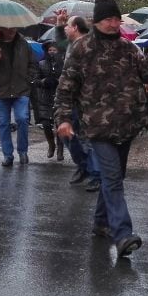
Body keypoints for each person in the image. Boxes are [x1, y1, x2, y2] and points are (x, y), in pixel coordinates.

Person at [55, 0, 148, 257]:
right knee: (113, 178)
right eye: (108, 19)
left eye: (117, 19)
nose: (114, 23)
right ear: (96, 20)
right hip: (97, 127)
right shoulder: (82, 48)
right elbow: (66, 87)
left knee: (114, 176)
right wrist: (63, 118)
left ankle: (101, 222)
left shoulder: (129, 49)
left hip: (127, 124)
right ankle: (123, 234)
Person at [0, 26, 38, 167]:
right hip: (0, 90)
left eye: (14, 28)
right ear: (2, 27)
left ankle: (23, 151)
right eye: (8, 28)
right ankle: (7, 155)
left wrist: (29, 79)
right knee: (3, 123)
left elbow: (33, 64)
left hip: (21, 89)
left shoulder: (24, 44)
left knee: (22, 119)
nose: (12, 30)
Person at [60, 16, 101, 191]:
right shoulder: (71, 44)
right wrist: (59, 24)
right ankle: (84, 166)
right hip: (71, 100)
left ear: (75, 27)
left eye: (67, 26)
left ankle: (97, 174)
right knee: (68, 135)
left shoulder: (87, 46)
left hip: (86, 100)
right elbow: (60, 44)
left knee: (87, 140)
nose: (65, 29)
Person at [33, 40, 65, 160]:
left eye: (54, 50)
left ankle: (60, 149)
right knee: (46, 125)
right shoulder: (41, 64)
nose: (52, 52)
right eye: (50, 50)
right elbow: (35, 80)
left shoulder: (63, 64)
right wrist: (44, 81)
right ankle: (51, 145)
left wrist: (59, 81)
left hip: (60, 98)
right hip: (45, 98)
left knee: (60, 124)